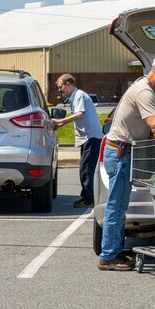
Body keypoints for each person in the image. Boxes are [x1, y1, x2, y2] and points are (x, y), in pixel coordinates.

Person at [99, 53, 155, 271]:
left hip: (123, 152)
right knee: (116, 205)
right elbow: (154, 125)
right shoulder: (145, 91)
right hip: (121, 154)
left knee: (120, 204)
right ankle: (108, 256)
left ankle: (115, 250)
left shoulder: (144, 86)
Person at [52, 74, 103, 208]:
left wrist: (61, 121)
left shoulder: (79, 95)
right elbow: (78, 117)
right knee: (86, 168)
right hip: (88, 138)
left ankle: (88, 199)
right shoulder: (75, 97)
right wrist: (59, 125)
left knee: (86, 169)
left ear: (69, 84)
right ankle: (88, 196)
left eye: (60, 86)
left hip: (91, 137)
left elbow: (80, 114)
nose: (59, 90)